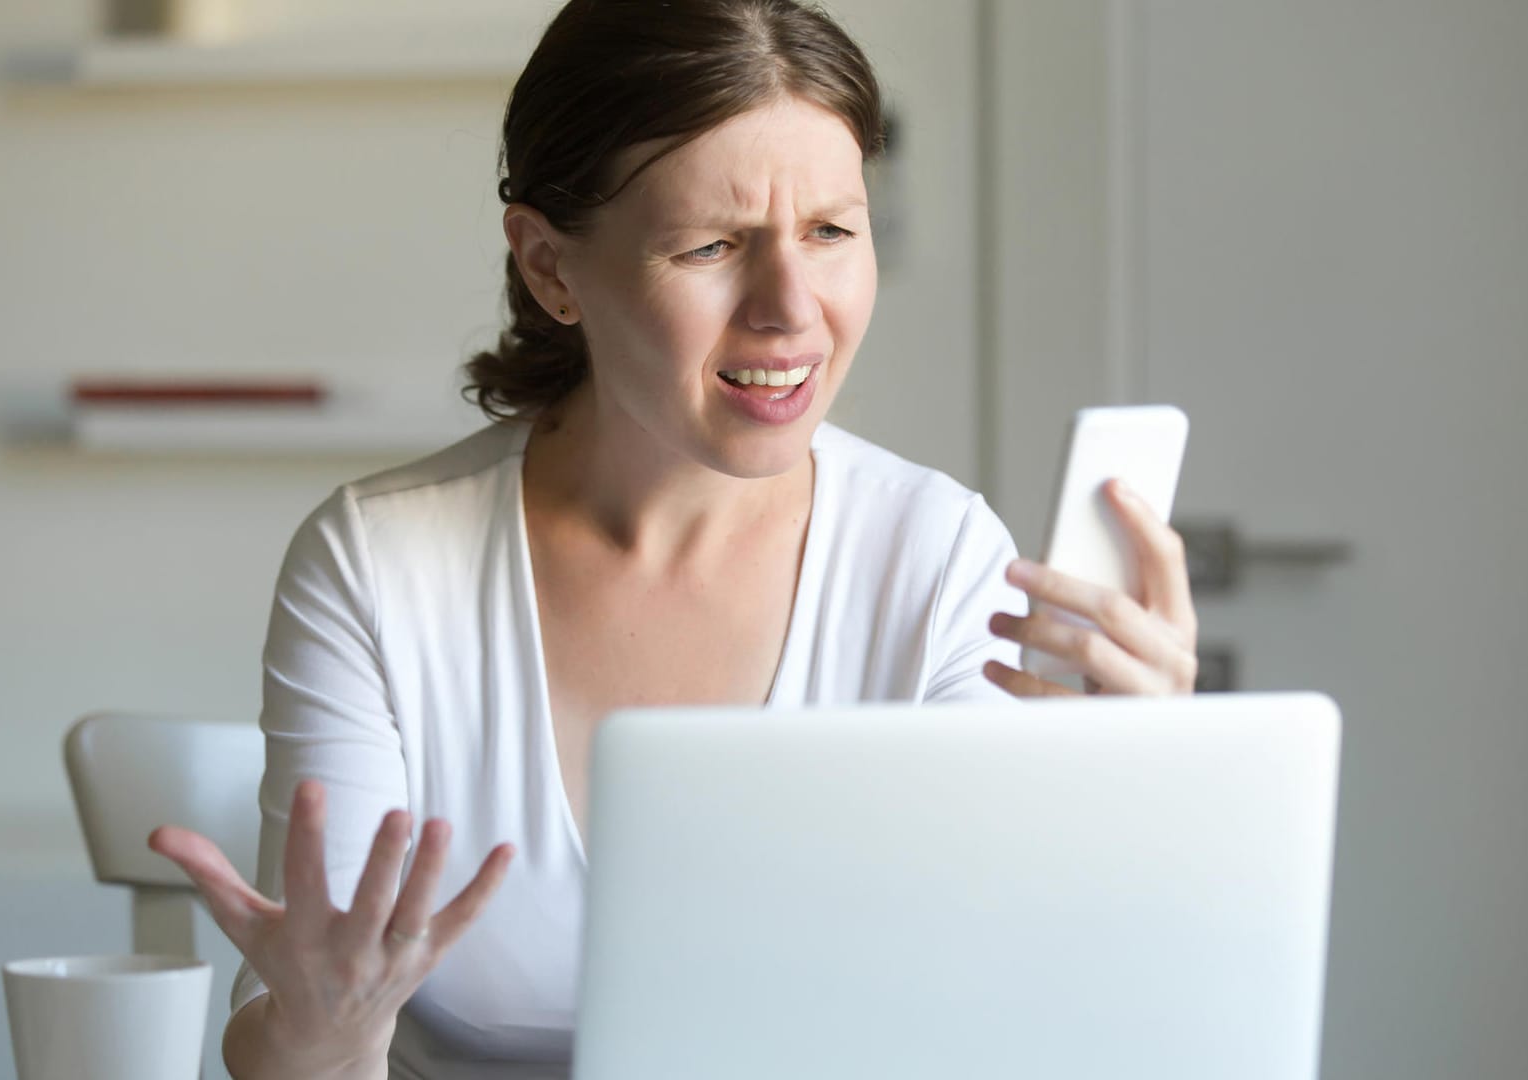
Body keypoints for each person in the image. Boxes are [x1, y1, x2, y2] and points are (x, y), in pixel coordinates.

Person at [150, 0, 1200, 1076]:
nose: (791, 309)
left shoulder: (934, 563)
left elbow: (994, 1015)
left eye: (832, 231)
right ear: (550, 268)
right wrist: (326, 1030)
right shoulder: (378, 569)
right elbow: (301, 1046)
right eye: (711, 246)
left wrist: (1132, 827)